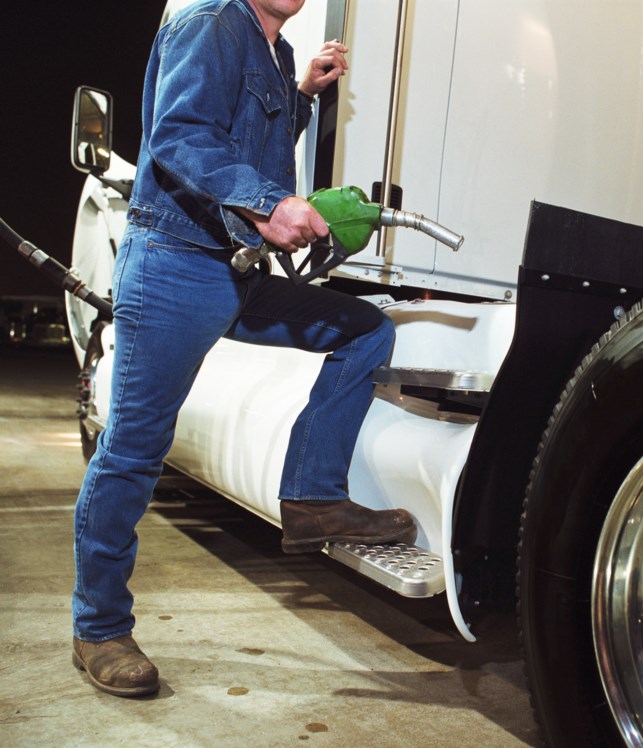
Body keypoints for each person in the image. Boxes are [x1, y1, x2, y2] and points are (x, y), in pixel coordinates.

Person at [71, 0, 416, 698]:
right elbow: (181, 136)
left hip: (236, 271)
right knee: (134, 452)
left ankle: (313, 497)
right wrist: (269, 201)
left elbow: (246, 133)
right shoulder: (208, 23)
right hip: (173, 267)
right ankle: (99, 627)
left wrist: (300, 96)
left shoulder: (278, 51)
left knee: (365, 328)